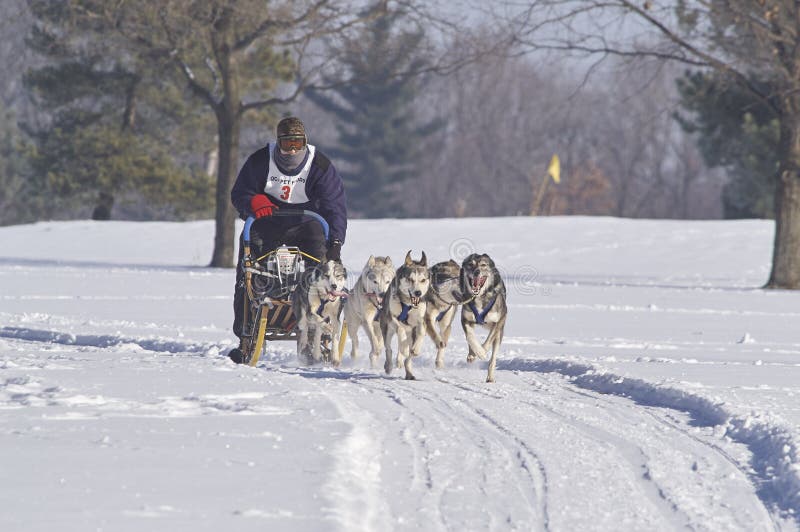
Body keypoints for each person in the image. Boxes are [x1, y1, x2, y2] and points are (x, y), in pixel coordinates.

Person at [228, 117, 347, 361]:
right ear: (278, 143)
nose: (292, 149)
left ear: (305, 142)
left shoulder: (319, 165)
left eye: (297, 143)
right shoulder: (261, 160)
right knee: (249, 274)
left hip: (307, 223)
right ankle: (245, 336)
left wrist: (335, 242)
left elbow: (335, 206)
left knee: (323, 272)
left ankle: (319, 333)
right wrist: (253, 201)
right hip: (266, 222)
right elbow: (240, 192)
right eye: (287, 144)